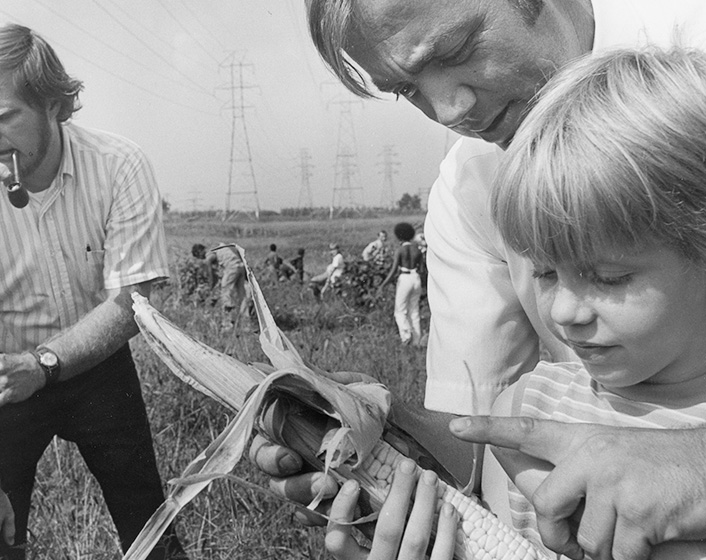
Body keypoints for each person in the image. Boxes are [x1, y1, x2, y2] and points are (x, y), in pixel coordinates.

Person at [254, 2, 706, 557]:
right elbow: (481, 435)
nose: (447, 112)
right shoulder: (471, 181)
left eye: (456, 50)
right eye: (405, 89)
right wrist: (386, 432)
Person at [0, 23, 184, 560]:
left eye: (4, 115)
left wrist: (41, 364)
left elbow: (133, 301)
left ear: (54, 105)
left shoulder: (118, 164)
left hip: (98, 363)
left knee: (150, 529)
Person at [377, 223, 423, 345]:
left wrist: (383, 285)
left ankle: (406, 335)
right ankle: (416, 341)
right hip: (416, 278)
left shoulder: (400, 250)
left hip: (405, 277)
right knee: (414, 310)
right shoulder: (417, 250)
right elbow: (422, 270)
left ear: (399, 236)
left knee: (400, 310)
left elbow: (393, 270)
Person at [206, 244, 253, 328]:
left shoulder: (210, 253)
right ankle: (245, 324)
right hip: (240, 266)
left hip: (231, 268)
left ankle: (227, 324)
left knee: (226, 294)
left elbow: (209, 266)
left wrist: (211, 284)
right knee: (242, 296)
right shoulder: (223, 247)